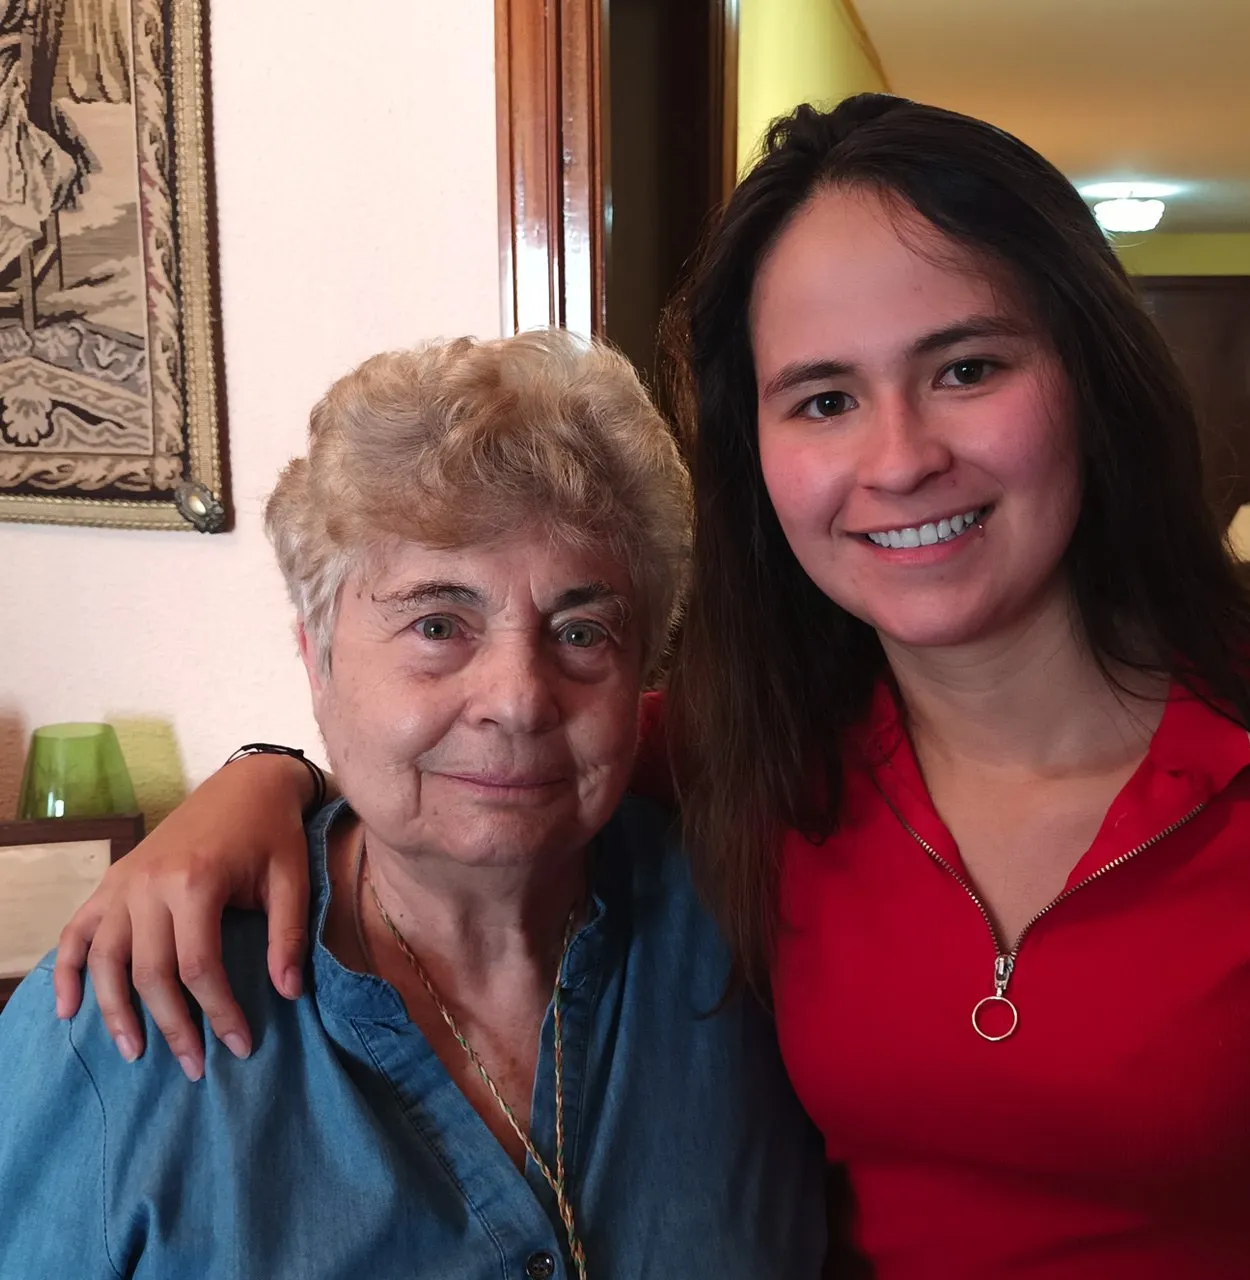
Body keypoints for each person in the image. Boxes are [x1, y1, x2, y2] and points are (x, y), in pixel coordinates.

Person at [51, 96, 1250, 1279]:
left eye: (966, 366)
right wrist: (257, 777)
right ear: (762, 454)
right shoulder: (751, 760)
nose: (899, 459)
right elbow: (492, 762)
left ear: (1085, 375)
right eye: (822, 397)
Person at [0, 331, 824, 1277]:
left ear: (642, 669)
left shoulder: (754, 939)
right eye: (438, 624)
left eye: (583, 631)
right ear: (318, 660)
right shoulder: (122, 1016)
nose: (518, 698)